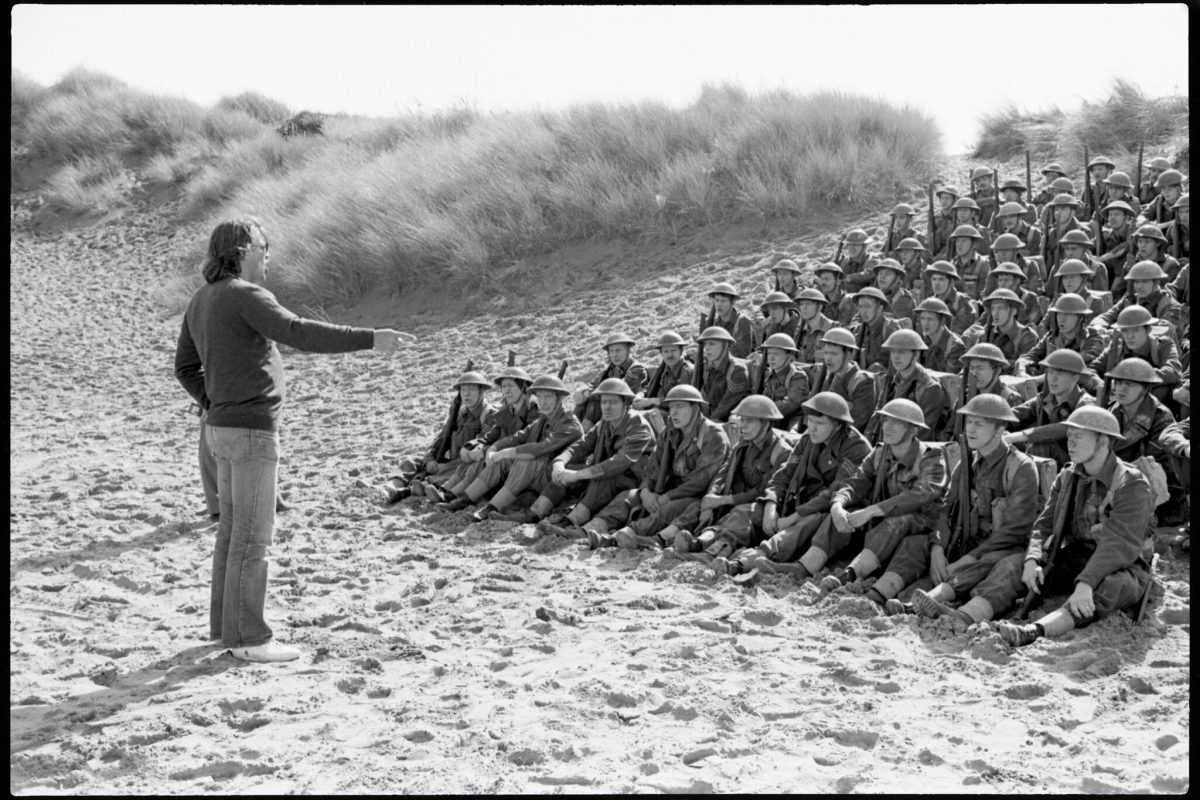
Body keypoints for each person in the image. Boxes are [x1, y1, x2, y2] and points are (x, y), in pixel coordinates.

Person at [174, 217, 411, 662]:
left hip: (222, 429)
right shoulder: (244, 295)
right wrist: (371, 340)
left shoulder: (201, 299)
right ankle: (248, 640)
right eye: (264, 246)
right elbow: (298, 332)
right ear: (242, 250)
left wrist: (215, 402)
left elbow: (185, 369)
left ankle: (225, 630)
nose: (268, 255)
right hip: (249, 430)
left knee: (231, 529)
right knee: (252, 534)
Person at [996, 407, 1154, 647]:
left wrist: (1086, 583)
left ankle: (1035, 631)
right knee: (1016, 566)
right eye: (1069, 436)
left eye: (1078, 437)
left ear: (1102, 442)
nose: (1070, 443)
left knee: (1110, 587)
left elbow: (1118, 544)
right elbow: (1045, 523)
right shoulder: (1068, 475)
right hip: (1078, 555)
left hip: (1125, 564)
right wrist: (1033, 558)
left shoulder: (1130, 483)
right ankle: (975, 613)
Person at [886, 394, 1041, 622]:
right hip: (967, 544)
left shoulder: (1021, 468)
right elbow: (946, 510)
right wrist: (938, 547)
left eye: (980, 424)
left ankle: (956, 612)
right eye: (969, 422)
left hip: (1004, 549)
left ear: (999, 430)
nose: (971, 429)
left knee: (998, 565)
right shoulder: (966, 464)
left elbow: (1015, 530)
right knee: (916, 544)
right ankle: (881, 592)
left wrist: (970, 557)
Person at [713, 392, 871, 579]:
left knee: (805, 523)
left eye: (819, 424)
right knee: (749, 510)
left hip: (829, 515)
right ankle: (716, 548)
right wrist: (771, 503)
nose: (811, 428)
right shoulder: (808, 439)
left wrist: (795, 516)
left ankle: (753, 559)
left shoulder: (856, 447)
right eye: (810, 421)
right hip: (799, 504)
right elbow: (785, 473)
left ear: (838, 425)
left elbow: (836, 491)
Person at [803, 399, 949, 601]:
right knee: (847, 512)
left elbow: (923, 493)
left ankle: (852, 574)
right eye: (886, 420)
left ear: (913, 430)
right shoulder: (879, 454)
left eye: (897, 423)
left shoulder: (931, 458)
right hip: (882, 529)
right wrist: (838, 504)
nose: (887, 427)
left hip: (921, 529)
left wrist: (873, 510)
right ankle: (806, 565)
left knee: (901, 518)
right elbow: (855, 482)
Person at [582, 385, 729, 549]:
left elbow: (700, 482)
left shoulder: (712, 435)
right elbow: (652, 466)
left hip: (695, 497)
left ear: (695, 408)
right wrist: (645, 491)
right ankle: (590, 528)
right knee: (630, 496)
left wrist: (666, 498)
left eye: (680, 406)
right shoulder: (670, 431)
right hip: (667, 491)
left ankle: (619, 537)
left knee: (666, 510)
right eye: (671, 407)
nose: (673, 412)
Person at [435, 374, 583, 522]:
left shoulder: (570, 425)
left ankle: (492, 507)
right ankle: (465, 499)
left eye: (548, 397)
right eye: (540, 397)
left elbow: (540, 448)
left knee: (524, 461)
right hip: (539, 474)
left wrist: (507, 452)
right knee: (501, 460)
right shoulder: (543, 419)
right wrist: (494, 448)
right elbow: (518, 436)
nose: (543, 402)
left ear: (560, 398)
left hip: (556, 480)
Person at [666, 396, 797, 560]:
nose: (742, 426)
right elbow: (723, 472)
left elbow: (763, 491)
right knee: (697, 505)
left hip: (760, 511)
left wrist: (723, 500)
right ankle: (693, 542)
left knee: (741, 512)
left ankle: (712, 552)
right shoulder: (744, 443)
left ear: (766, 423)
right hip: (734, 503)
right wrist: (710, 499)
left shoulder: (782, 452)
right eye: (742, 420)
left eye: (749, 421)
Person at [511, 377, 654, 528]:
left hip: (635, 481)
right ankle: (535, 513)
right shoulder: (605, 423)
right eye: (603, 402)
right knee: (566, 472)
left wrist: (578, 475)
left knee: (602, 478)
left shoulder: (638, 426)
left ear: (626, 404)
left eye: (612, 402)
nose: (607, 407)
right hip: (607, 473)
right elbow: (582, 445)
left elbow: (618, 463)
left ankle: (571, 521)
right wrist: (560, 463)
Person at [362, 370, 495, 505]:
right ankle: (389, 487)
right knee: (412, 462)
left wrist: (442, 467)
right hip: (451, 461)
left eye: (471, 390)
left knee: (457, 472)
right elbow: (441, 439)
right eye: (463, 389)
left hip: (465, 464)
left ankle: (409, 490)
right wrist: (430, 459)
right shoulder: (460, 413)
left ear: (482, 392)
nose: (466, 394)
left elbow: (477, 448)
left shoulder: (489, 415)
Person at [431, 365, 539, 502]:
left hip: (520, 464)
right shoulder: (508, 410)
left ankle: (459, 497)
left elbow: (523, 441)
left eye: (510, 386)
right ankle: (448, 491)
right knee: (473, 457)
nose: (506, 391)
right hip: (504, 459)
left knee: (486, 459)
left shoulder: (534, 412)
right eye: (504, 387)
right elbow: (492, 434)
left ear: (523, 386)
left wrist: (485, 451)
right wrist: (472, 446)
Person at [1005, 349, 1099, 469]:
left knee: (1041, 445)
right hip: (1049, 463)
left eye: (1059, 374)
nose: (1053, 379)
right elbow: (1014, 414)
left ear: (1075, 377)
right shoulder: (1045, 399)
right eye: (1050, 372)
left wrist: (1023, 435)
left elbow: (1067, 427)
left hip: (1074, 466)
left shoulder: (1087, 405)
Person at [862, 329, 949, 441]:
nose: (896, 357)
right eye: (893, 351)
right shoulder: (892, 381)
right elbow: (878, 415)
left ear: (915, 355)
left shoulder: (930, 388)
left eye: (902, 352)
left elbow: (923, 432)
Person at [1089, 305, 1182, 405]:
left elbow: (1173, 372)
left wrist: (1136, 378)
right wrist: (1100, 384)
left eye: (1136, 330)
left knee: (1161, 390)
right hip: (1119, 401)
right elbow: (1092, 369)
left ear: (1148, 330)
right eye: (1125, 331)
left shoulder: (1163, 345)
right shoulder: (1117, 348)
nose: (1130, 336)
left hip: (1152, 405)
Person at [1015, 294, 1105, 379]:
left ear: (1081, 317)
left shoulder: (1092, 338)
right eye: (1059, 314)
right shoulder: (1052, 337)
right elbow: (1028, 357)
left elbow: (1073, 366)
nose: (1062, 319)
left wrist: (1040, 379)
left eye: (1068, 314)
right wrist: (1021, 371)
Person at [1092, 260, 1184, 342]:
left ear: (1156, 283)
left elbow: (1162, 331)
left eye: (1144, 282)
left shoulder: (1170, 305)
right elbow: (1107, 316)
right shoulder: (1130, 299)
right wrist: (1098, 326)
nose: (1139, 286)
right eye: (1136, 282)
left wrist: (1116, 333)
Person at [805, 327, 878, 430]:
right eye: (826, 353)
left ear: (848, 355)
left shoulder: (862, 381)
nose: (828, 358)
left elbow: (856, 422)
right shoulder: (824, 376)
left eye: (834, 354)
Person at [573, 332, 648, 431]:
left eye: (618, 351)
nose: (614, 355)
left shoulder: (636, 369)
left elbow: (618, 391)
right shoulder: (612, 369)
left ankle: (585, 432)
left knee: (594, 402)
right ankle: (574, 429)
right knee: (582, 403)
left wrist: (588, 393)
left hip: (625, 406)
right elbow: (595, 384)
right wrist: (583, 390)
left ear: (628, 350)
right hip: (609, 407)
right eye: (611, 351)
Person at [631, 331, 694, 434]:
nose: (669, 355)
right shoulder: (664, 369)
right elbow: (648, 388)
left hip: (679, 414)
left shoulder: (687, 371)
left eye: (673, 351)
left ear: (681, 351)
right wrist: (640, 395)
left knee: (650, 415)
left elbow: (681, 400)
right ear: (661, 354)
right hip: (663, 411)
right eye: (666, 351)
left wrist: (652, 401)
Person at [961, 289, 1038, 367]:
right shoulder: (986, 334)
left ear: (1013, 311)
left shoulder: (1027, 336)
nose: (995, 313)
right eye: (993, 308)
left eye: (1001, 308)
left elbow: (1025, 366)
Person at [1110, 224, 1182, 302]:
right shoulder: (1131, 263)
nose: (1142, 246)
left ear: (1157, 243)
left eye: (1147, 242)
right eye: (1140, 242)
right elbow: (1118, 292)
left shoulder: (1170, 264)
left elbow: (1168, 294)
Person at [694, 326, 752, 423]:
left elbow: (726, 406)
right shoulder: (708, 368)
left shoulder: (737, 371)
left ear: (726, 346)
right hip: (711, 417)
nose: (707, 348)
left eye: (712, 344)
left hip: (728, 421)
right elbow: (704, 398)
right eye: (705, 344)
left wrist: (706, 424)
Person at [752, 333, 810, 429]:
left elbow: (790, 404)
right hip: (772, 418)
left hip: (791, 421)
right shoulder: (768, 375)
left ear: (788, 356)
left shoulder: (798, 376)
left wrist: (762, 411)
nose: (771, 358)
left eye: (776, 354)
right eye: (769, 353)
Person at [849, 287, 902, 374]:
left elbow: (887, 359)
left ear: (880, 308)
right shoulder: (858, 331)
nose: (863, 311)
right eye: (860, 306)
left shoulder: (890, 328)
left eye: (868, 306)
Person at [698, 282, 758, 359]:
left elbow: (740, 355)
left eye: (723, 301)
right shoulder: (715, 323)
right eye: (717, 300)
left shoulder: (742, 321)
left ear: (732, 303)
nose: (719, 304)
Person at [921, 260, 978, 335]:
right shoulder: (929, 303)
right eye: (934, 279)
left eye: (941, 279)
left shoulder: (961, 301)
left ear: (951, 282)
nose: (936, 283)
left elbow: (959, 333)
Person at [914, 298, 966, 374]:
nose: (925, 323)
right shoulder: (921, 341)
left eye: (930, 319)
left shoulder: (955, 346)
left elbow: (951, 379)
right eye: (923, 318)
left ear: (942, 321)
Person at [792, 287, 836, 364]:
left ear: (819, 307)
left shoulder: (833, 329)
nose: (804, 308)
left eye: (808, 304)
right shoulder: (799, 331)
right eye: (802, 304)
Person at [947, 223, 990, 300]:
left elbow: (984, 297)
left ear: (975, 244)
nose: (959, 244)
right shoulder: (951, 266)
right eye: (957, 241)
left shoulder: (984, 265)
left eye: (964, 241)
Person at [836, 228, 879, 293]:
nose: (852, 248)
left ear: (864, 246)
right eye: (850, 244)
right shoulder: (843, 261)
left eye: (857, 245)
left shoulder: (873, 260)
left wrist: (849, 278)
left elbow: (869, 274)